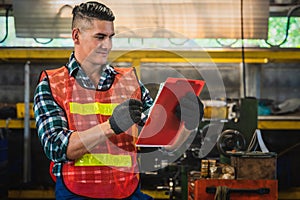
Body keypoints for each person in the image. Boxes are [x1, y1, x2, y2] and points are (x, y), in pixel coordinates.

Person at [33, 1, 204, 199]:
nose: (107, 45)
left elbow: (163, 145)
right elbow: (56, 147)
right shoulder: (53, 84)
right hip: (77, 193)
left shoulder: (129, 82)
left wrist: (187, 124)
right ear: (76, 36)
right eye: (100, 37)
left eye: (110, 37)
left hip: (127, 192)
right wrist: (111, 126)